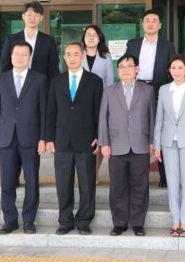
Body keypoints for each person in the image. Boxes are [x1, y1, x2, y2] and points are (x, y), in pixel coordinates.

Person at [46, 41, 104, 236]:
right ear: (64, 57)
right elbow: (51, 112)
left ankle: (84, 221)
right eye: (68, 54)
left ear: (82, 56)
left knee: (87, 183)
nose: (72, 58)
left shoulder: (94, 81)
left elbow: (98, 112)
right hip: (61, 140)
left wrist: (99, 136)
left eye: (76, 54)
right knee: (63, 184)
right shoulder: (56, 81)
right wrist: (49, 138)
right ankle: (65, 221)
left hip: (86, 140)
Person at [0, 42, 47, 235]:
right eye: (16, 54)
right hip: (6, 138)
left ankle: (29, 221)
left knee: (32, 181)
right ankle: (10, 220)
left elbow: (43, 111)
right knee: (7, 182)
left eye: (24, 54)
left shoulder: (40, 79)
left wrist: (43, 138)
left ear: (30, 57)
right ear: (11, 56)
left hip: (31, 137)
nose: (20, 57)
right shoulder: (1, 78)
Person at [98, 54, 155, 237]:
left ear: (137, 69)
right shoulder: (109, 91)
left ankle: (138, 223)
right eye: (122, 66)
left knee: (140, 185)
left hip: (141, 144)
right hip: (116, 144)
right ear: (118, 70)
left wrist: (153, 141)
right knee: (117, 186)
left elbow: (152, 117)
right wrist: (104, 143)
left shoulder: (147, 90)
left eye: (129, 66)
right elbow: (103, 118)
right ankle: (119, 223)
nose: (125, 70)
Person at [154, 55, 185, 238]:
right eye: (173, 68)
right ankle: (175, 220)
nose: (177, 71)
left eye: (180, 67)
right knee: (172, 182)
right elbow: (159, 118)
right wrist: (157, 143)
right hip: (168, 141)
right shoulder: (163, 90)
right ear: (169, 70)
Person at [126, 9, 175, 187]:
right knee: (137, 127)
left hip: (159, 89)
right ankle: (137, 176)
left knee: (160, 129)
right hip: (137, 88)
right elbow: (126, 65)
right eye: (147, 20)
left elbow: (171, 69)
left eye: (154, 20)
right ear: (143, 24)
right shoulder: (133, 43)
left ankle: (164, 176)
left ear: (160, 25)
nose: (150, 23)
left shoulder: (167, 45)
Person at [80, 24, 114, 184]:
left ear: (100, 38)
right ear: (84, 38)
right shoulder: (78, 54)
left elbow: (109, 81)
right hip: (80, 103)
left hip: (100, 102)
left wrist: (109, 104)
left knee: (99, 137)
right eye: (88, 34)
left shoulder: (106, 57)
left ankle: (95, 173)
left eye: (94, 34)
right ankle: (84, 171)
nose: (91, 37)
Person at [0, 1, 59, 81]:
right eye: (29, 14)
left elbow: (53, 68)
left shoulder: (49, 41)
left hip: (41, 85)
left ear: (41, 18)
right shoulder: (11, 39)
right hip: (16, 83)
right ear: (23, 16)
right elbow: (4, 66)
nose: (32, 18)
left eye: (36, 15)